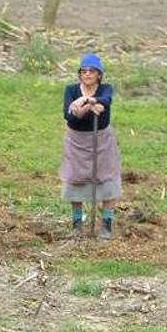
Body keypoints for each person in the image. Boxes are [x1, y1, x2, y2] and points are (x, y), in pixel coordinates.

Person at [60, 53, 122, 240]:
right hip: (77, 142)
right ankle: (77, 224)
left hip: (101, 141)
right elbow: (70, 116)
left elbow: (106, 101)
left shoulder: (105, 88)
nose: (87, 74)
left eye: (91, 71)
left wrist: (88, 102)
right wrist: (88, 106)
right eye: (84, 71)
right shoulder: (71, 90)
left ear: (99, 75)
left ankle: (106, 225)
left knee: (107, 180)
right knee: (75, 179)